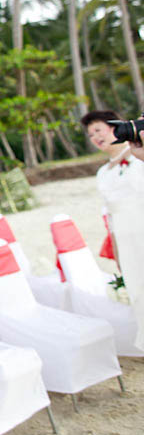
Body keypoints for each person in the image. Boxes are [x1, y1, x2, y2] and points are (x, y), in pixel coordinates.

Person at [82, 110, 144, 351]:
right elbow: (110, 218)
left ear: (115, 127)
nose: (95, 137)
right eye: (90, 135)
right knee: (139, 291)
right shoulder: (102, 173)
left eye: (98, 130)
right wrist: (117, 253)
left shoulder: (139, 157)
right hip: (127, 240)